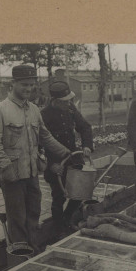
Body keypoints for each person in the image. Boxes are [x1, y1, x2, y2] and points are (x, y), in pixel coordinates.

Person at [0, 64, 70, 250]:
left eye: (32, 85)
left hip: (31, 172)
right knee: (17, 217)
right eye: (24, 84)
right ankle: (20, 253)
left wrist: (65, 152)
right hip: (12, 175)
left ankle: (33, 248)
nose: (29, 89)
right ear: (13, 83)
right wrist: (6, 169)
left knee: (34, 212)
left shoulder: (33, 109)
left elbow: (44, 136)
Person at [41, 80, 93, 232]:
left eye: (70, 99)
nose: (69, 103)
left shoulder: (70, 109)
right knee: (59, 197)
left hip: (72, 157)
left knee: (80, 191)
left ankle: (66, 218)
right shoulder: (43, 116)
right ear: (56, 101)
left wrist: (86, 145)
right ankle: (58, 229)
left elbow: (85, 127)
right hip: (55, 163)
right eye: (65, 101)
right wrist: (50, 165)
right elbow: (36, 145)